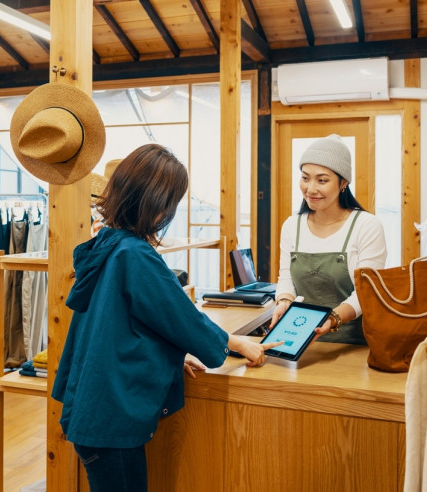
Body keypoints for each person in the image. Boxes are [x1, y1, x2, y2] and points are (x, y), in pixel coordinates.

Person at [52, 143, 282, 492]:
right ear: (157, 206)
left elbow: (133, 323)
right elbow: (181, 318)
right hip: (110, 416)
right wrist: (238, 343)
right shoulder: (135, 254)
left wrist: (176, 354)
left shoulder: (108, 243)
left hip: (94, 407)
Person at [272, 134, 387, 345]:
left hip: (354, 345)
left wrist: (333, 318)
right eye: (305, 178)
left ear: (343, 182)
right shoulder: (292, 226)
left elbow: (366, 293)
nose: (311, 188)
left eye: (322, 180)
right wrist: (284, 301)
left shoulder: (366, 225)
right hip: (299, 341)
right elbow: (286, 277)